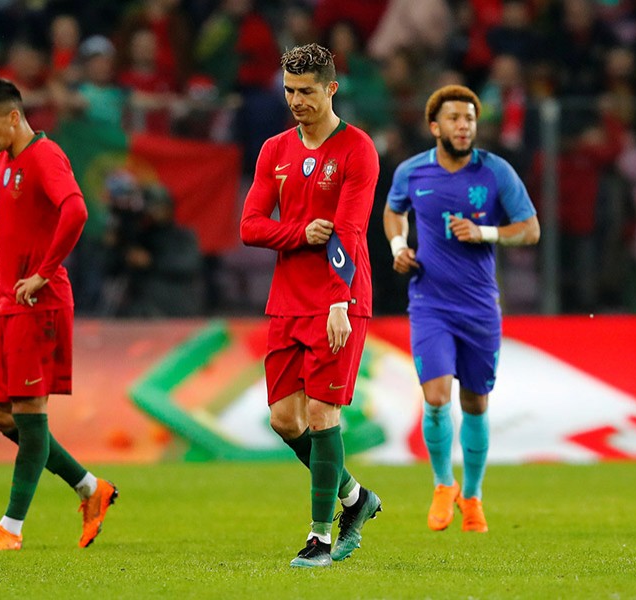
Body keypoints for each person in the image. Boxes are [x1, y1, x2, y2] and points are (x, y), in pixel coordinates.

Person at [239, 43, 382, 568]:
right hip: (287, 301)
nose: (296, 100)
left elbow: (348, 229)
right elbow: (250, 226)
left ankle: (321, 537)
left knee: (322, 412)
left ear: (331, 89)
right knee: (284, 420)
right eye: (289, 90)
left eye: (305, 91)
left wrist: (340, 301)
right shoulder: (274, 150)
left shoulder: (357, 149)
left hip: (337, 299)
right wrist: (299, 232)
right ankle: (355, 498)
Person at [0, 79, 118, 551]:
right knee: (0, 416)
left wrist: (45, 272)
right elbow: (14, 225)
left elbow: (76, 211)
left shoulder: (45, 157)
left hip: (39, 303)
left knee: (30, 415)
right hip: (10, 301)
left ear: (13, 117)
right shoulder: (5, 160)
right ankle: (91, 488)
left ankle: (10, 528)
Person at [383, 84, 539, 534]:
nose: (464, 126)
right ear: (435, 126)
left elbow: (530, 230)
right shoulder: (412, 172)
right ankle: (441, 484)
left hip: (479, 307)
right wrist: (398, 245)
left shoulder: (496, 172)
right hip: (430, 302)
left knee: (475, 403)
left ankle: (472, 496)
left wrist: (485, 233)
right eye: (454, 119)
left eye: (470, 119)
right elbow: (394, 212)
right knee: (434, 399)